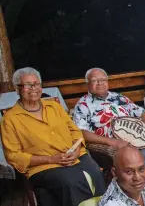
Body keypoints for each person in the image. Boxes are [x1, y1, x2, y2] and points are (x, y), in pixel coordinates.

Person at [1, 67, 106, 206]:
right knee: (70, 182)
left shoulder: (54, 107)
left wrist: (75, 151)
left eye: (36, 83)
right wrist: (51, 158)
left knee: (96, 174)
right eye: (28, 85)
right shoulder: (10, 118)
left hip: (75, 156)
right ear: (17, 88)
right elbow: (13, 156)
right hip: (43, 166)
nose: (34, 88)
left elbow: (75, 132)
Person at [73, 68, 145, 159]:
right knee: (139, 153)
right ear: (88, 84)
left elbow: (141, 112)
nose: (100, 83)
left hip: (135, 137)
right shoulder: (83, 105)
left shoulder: (119, 97)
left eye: (103, 80)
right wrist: (111, 142)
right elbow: (82, 132)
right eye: (94, 80)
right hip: (113, 145)